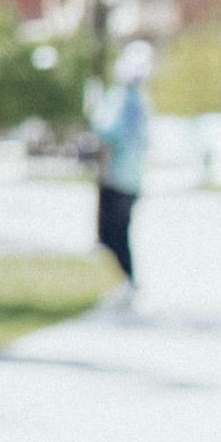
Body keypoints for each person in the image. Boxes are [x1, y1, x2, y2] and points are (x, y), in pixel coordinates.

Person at [92, 37, 153, 304]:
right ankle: (126, 281)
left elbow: (107, 134)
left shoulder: (120, 99)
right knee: (120, 232)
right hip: (133, 179)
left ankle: (127, 281)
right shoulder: (143, 101)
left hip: (116, 177)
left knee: (110, 233)